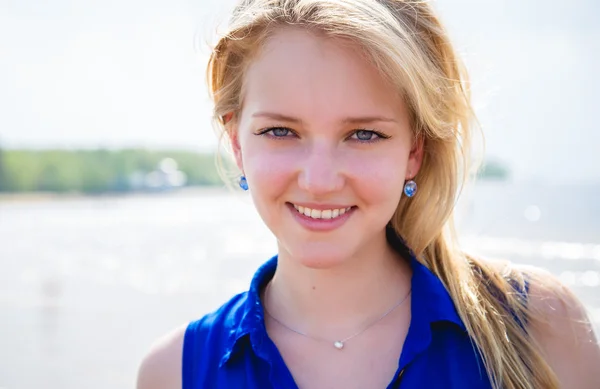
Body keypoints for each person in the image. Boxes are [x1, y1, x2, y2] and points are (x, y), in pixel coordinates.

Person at [137, 1, 600, 388]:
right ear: (238, 143)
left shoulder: (539, 329)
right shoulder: (173, 373)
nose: (319, 180)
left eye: (363, 135)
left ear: (414, 151)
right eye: (280, 130)